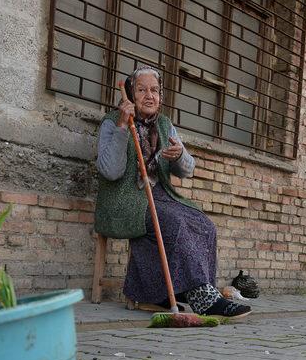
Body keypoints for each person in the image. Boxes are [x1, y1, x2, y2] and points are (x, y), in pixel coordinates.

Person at [94, 66, 251, 318]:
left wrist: (179, 156)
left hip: (161, 196)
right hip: (125, 199)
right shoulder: (112, 122)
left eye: (154, 90)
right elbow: (110, 171)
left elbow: (188, 169)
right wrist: (123, 126)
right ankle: (202, 299)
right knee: (175, 222)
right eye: (142, 89)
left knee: (205, 225)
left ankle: (193, 291)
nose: (149, 96)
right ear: (131, 94)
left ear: (161, 95)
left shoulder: (165, 125)